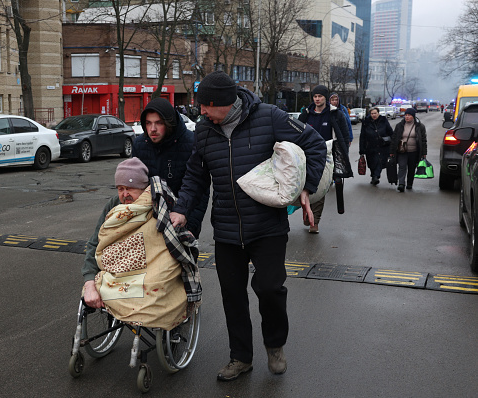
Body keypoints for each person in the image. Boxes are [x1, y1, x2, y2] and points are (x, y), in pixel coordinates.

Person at [169, 71, 327, 381]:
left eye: (205, 106)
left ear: (224, 104)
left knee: (269, 289)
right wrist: (182, 209)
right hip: (227, 229)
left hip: (268, 227)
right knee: (232, 296)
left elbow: (315, 144)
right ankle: (241, 358)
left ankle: (275, 345)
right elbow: (195, 176)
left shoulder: (270, 117)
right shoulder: (203, 131)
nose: (200, 112)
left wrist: (305, 187)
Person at [132, 97, 208, 238]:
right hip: (148, 222)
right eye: (148, 123)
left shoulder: (191, 143)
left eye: (158, 123)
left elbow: (199, 190)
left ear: (169, 123)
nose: (152, 129)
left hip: (182, 221)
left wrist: (192, 226)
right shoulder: (140, 145)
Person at [82, 157, 151, 309]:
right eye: (120, 189)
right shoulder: (114, 205)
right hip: (115, 272)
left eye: (130, 188)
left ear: (143, 189)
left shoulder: (155, 206)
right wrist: (89, 281)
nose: (125, 194)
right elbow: (95, 242)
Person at [298, 85, 353, 233]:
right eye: (315, 96)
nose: (317, 99)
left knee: (319, 189)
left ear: (325, 98)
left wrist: (342, 156)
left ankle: (314, 222)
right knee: (303, 187)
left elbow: (344, 135)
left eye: (320, 96)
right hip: (306, 156)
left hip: (326, 157)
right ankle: (307, 211)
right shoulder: (306, 114)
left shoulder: (335, 114)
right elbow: (296, 131)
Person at [390, 107, 427, 192]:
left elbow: (423, 140)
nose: (407, 117)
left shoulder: (419, 126)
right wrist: (391, 151)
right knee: (402, 166)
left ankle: (410, 183)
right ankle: (401, 184)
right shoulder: (399, 125)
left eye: (409, 115)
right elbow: (394, 138)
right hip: (402, 150)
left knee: (412, 168)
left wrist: (424, 153)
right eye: (406, 115)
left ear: (413, 116)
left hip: (414, 151)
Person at [359, 107, 394, 185]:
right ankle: (373, 175)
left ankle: (376, 176)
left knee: (379, 162)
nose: (373, 115)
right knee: (371, 163)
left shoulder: (384, 121)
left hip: (382, 146)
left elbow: (390, 132)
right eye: (372, 113)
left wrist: (391, 142)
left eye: (375, 113)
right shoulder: (366, 122)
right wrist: (362, 149)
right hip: (370, 146)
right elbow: (362, 136)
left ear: (378, 113)